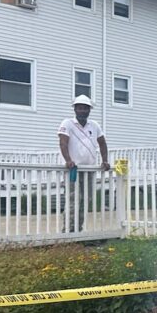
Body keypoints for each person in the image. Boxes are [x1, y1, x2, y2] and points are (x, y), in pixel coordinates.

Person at [57, 95, 109, 232]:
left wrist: (105, 160)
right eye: (79, 108)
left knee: (86, 200)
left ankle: (78, 230)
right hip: (74, 169)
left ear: (89, 110)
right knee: (73, 200)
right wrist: (68, 160)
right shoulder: (67, 123)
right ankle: (68, 231)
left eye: (85, 108)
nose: (82, 111)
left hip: (89, 170)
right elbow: (63, 142)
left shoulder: (95, 125)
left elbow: (102, 143)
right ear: (75, 109)